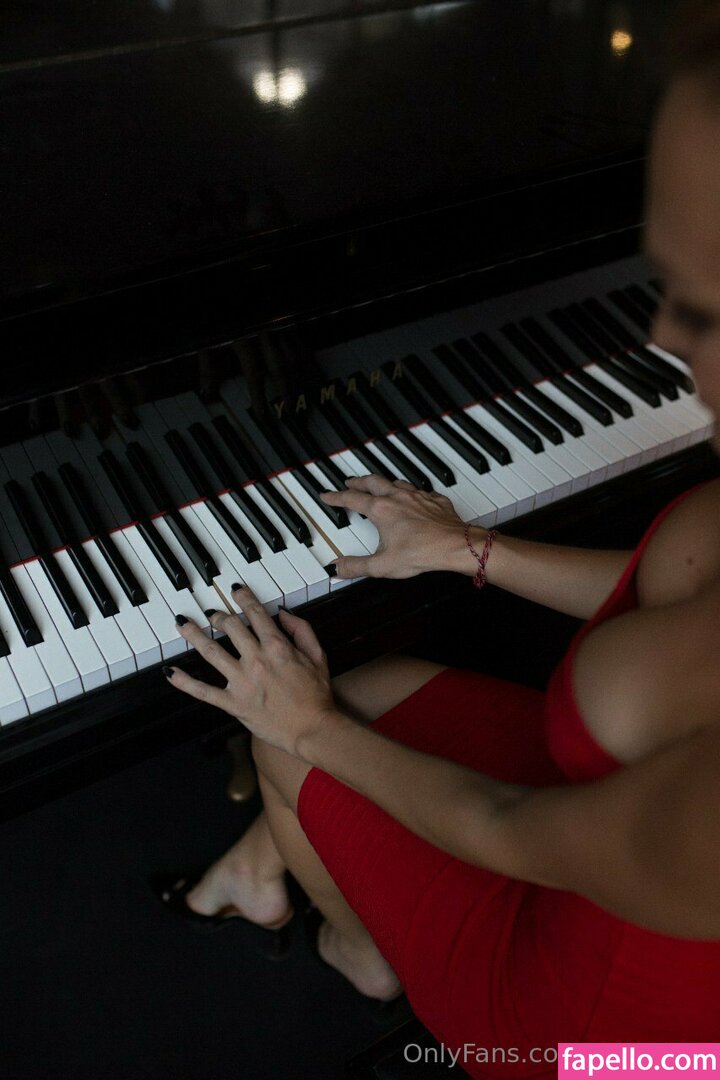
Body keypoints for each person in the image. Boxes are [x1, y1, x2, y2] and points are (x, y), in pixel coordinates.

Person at [158, 1, 720, 1071]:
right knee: (369, 688)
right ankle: (265, 868)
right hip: (605, 830)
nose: (660, 332)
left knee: (294, 729)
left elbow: (506, 826)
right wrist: (468, 549)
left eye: (707, 304)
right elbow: (678, 587)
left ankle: (363, 953)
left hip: (615, 1039)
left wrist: (304, 726)